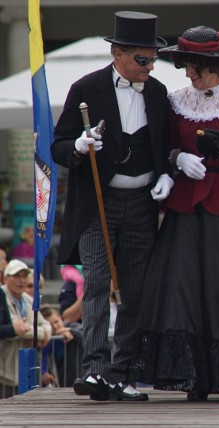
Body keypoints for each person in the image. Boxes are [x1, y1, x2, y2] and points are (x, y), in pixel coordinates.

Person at [130, 25, 219, 401]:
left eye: (193, 67)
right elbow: (166, 148)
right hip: (188, 202)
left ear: (215, 65)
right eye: (185, 67)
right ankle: (196, 377)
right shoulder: (176, 99)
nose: (188, 75)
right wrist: (180, 158)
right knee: (182, 288)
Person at [51, 11, 173, 402]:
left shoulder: (157, 93)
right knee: (99, 284)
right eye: (142, 59)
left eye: (153, 59)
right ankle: (95, 371)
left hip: (142, 203)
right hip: (98, 205)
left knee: (135, 290)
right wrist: (78, 146)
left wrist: (168, 172)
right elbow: (58, 146)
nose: (150, 66)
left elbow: (166, 144)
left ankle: (123, 372)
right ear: (118, 54)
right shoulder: (86, 88)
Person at [0, 259, 52, 397]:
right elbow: (17, 328)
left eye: (24, 276)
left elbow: (46, 326)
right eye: (17, 276)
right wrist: (40, 333)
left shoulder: (27, 299)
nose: (21, 281)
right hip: (5, 369)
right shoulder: (2, 295)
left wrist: (36, 331)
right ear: (6, 278)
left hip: (24, 368)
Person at [41, 306, 84, 387]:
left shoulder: (73, 327)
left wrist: (72, 332)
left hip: (80, 377)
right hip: (61, 382)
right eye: (50, 325)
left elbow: (87, 337)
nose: (55, 327)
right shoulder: (47, 339)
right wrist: (43, 372)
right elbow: (41, 354)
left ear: (61, 318)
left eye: (56, 322)